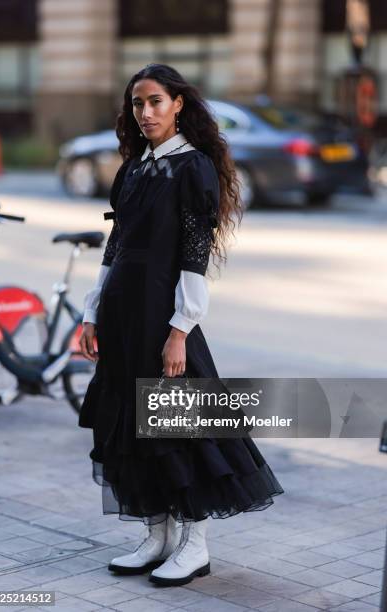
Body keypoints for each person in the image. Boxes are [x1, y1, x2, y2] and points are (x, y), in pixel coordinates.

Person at [78, 63, 284, 588]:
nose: (145, 112)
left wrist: (180, 330)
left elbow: (195, 254)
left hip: (162, 317)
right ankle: (157, 535)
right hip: (122, 314)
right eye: (137, 104)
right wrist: (91, 313)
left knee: (179, 429)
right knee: (128, 426)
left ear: (178, 106)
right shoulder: (133, 169)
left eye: (154, 102)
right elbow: (116, 247)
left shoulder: (192, 168)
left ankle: (195, 545)